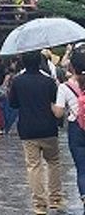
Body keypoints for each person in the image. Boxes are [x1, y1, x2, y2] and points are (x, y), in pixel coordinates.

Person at [10, 51, 63, 214]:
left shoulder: (17, 81)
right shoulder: (49, 81)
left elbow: (13, 104)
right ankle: (55, 199)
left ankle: (39, 204)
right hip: (48, 128)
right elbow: (56, 103)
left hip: (27, 129)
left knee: (33, 166)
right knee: (53, 162)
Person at [53, 49, 85, 214]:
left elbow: (58, 113)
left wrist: (51, 105)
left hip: (76, 129)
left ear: (72, 67)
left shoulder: (64, 87)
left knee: (82, 168)